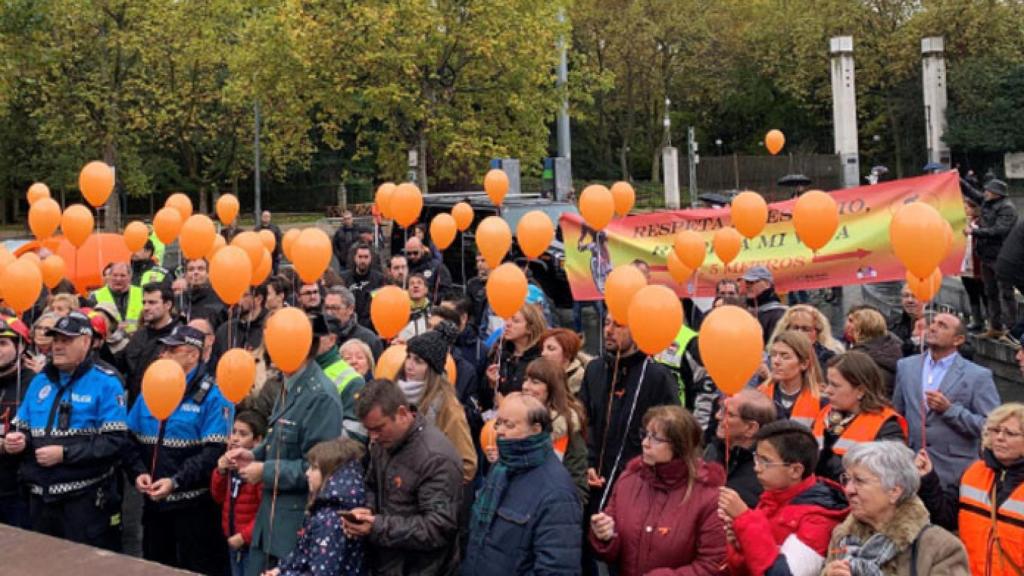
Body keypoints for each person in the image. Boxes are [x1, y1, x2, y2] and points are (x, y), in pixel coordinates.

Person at [225, 322, 343, 576]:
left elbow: (319, 469)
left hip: (292, 528)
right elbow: (277, 439)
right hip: (269, 524)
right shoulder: (288, 384)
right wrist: (252, 454)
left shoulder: (320, 395)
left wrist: (264, 471)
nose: (270, 351)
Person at [4, 312, 128, 550]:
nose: (58, 346)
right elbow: (23, 428)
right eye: (56, 340)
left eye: (66, 340)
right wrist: (18, 440)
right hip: (39, 499)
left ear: (86, 341)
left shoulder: (107, 382)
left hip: (84, 500)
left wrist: (65, 453)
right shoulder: (40, 381)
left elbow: (114, 442)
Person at [126, 324, 233, 575]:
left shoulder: (214, 394)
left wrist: (175, 481)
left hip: (195, 508)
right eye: (163, 349)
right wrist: (138, 472)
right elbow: (129, 439)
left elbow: (213, 452)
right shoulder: (150, 387)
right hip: (154, 506)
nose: (163, 355)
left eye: (172, 350)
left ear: (193, 355)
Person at [345, 379, 463, 575]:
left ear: (402, 414)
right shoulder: (383, 443)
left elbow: (438, 528)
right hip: (386, 564)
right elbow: (372, 484)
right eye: (369, 430)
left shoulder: (436, 459)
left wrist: (377, 526)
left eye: (378, 428)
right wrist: (366, 511)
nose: (372, 437)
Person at [590, 405, 726, 575]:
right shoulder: (629, 480)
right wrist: (606, 536)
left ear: (679, 446)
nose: (645, 443)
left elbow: (713, 565)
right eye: (645, 435)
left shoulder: (708, 496)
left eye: (655, 439)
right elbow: (612, 550)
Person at [462, 392, 582, 574]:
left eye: (509, 425)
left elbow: (557, 568)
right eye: (499, 422)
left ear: (535, 429)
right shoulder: (501, 467)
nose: (500, 431)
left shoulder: (558, 493)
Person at [580, 313, 679, 519]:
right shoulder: (594, 369)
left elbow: (672, 431)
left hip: (639, 484)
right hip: (596, 481)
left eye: (618, 326)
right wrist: (589, 462)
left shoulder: (656, 376)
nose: (608, 330)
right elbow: (585, 420)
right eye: (606, 323)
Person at [719, 420, 849, 576]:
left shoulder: (819, 519)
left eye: (765, 461)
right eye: (756, 458)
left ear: (795, 470)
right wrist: (740, 544)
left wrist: (745, 518)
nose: (756, 468)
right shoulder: (774, 498)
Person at [822, 442, 968, 575]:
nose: (848, 490)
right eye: (846, 479)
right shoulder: (842, 536)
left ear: (894, 492)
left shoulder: (940, 547)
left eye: (859, 481)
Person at [893, 312, 1001, 488]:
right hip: (911, 470)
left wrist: (950, 410)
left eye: (942, 326)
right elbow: (898, 415)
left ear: (958, 340)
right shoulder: (906, 366)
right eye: (933, 323)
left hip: (954, 474)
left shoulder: (977, 376)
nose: (933, 327)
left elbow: (992, 426)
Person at [917, 402, 1024, 575]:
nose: (999, 437)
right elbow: (944, 518)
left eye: (1009, 433)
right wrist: (928, 479)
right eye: (995, 431)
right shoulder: (973, 472)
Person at [265, 438, 367, 576]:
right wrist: (280, 570)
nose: (307, 473)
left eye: (314, 468)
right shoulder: (323, 511)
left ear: (333, 475)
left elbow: (322, 571)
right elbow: (303, 554)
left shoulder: (331, 521)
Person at [813, 351, 908, 482]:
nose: (828, 390)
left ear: (861, 391)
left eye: (835, 385)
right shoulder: (824, 413)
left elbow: (888, 481)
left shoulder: (886, 426)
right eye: (828, 383)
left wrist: (827, 458)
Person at [399, 329, 477, 482]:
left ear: (432, 368)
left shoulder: (447, 407)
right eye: (408, 357)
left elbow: (467, 465)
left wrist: (432, 485)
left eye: (418, 361)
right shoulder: (396, 393)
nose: (409, 365)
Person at [519, 358, 589, 503]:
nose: (526, 386)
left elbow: (577, 486)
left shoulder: (568, 427)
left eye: (535, 382)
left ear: (552, 388)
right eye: (526, 380)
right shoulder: (516, 421)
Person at [211, 411, 266, 576]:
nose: (235, 438)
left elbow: (266, 512)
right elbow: (218, 496)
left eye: (243, 434)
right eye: (233, 432)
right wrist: (220, 472)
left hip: (252, 544)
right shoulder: (231, 465)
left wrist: (244, 536)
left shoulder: (259, 471)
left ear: (258, 441)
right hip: (234, 540)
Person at [962, 178, 1017, 339]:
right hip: (986, 256)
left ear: (996, 194)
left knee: (1006, 293)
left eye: (988, 190)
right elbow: (971, 192)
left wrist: (975, 232)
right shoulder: (987, 202)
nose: (985, 192)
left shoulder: (1007, 208)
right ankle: (995, 327)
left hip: (1001, 256)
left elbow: (1000, 230)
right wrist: (958, 180)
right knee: (990, 292)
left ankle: (1011, 329)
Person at [704, 389, 778, 508]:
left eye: (728, 414)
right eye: (721, 409)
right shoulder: (713, 450)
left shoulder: (765, 474)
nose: (717, 416)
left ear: (751, 428)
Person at [120, 282, 180, 406]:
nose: (146, 307)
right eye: (144, 302)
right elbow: (122, 366)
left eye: (152, 303)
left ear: (167, 305)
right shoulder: (139, 335)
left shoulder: (178, 337)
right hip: (135, 409)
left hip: (164, 408)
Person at [309, 313, 366, 442]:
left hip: (327, 456)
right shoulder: (301, 370)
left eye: (315, 337)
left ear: (331, 340)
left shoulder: (353, 381)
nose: (309, 341)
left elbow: (355, 433)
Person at [0, 315, 33, 528]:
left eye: (2, 343)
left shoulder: (36, 383)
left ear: (20, 346)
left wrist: (24, 441)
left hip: (20, 492)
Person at [758, 330, 826, 429]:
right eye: (773, 354)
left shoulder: (822, 400)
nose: (776, 361)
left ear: (804, 364)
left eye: (785, 356)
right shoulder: (760, 395)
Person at [486, 304, 546, 397]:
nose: (507, 324)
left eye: (515, 321)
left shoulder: (541, 358)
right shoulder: (499, 351)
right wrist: (491, 383)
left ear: (530, 328)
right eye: (507, 319)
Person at [768, 304, 844, 373]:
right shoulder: (773, 358)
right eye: (795, 328)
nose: (799, 332)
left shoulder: (829, 360)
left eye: (806, 329)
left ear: (817, 332)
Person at [845, 306, 904, 395]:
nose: (848, 326)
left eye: (852, 322)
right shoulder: (894, 349)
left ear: (860, 329)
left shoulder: (856, 359)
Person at [214, 282, 269, 360]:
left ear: (258, 299)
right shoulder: (225, 330)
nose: (237, 300)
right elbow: (213, 366)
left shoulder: (269, 330)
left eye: (243, 295)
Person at [326, 286, 383, 359]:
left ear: (350, 309)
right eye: (327, 308)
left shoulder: (368, 339)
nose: (329, 313)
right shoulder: (320, 338)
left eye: (335, 308)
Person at [88, 261, 143, 334]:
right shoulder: (95, 296)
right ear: (109, 276)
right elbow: (90, 322)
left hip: (136, 339)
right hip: (109, 340)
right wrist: (113, 328)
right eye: (115, 275)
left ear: (130, 277)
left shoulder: (142, 293)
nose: (118, 279)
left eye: (122, 275)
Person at [341, 243, 385, 328]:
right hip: (348, 325)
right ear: (355, 258)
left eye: (366, 257)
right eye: (360, 257)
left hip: (370, 326)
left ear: (370, 258)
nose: (363, 260)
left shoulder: (379, 279)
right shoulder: (344, 278)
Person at [961, 198, 989, 332]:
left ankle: (990, 321)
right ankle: (977, 320)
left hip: (978, 263)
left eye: (966, 207)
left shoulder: (981, 223)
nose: (965, 210)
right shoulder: (963, 223)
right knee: (971, 292)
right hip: (965, 265)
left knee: (984, 293)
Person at [174, 258, 227, 324]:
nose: (195, 272)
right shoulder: (179, 299)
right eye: (191, 269)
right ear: (185, 275)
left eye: (200, 269)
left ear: (208, 274)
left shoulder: (219, 298)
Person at [540, 327, 591, 397]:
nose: (543, 353)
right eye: (543, 349)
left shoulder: (583, 382)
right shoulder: (540, 375)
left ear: (567, 353)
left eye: (551, 348)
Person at [742, 266, 786, 344]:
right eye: (746, 282)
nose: (748, 286)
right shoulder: (743, 311)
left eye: (752, 282)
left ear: (767, 283)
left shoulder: (779, 313)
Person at [405, 236, 453, 302]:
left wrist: (428, 297)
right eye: (409, 253)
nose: (412, 256)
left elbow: (448, 293)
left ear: (422, 249)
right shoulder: (404, 266)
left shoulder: (437, 266)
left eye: (415, 253)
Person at [888, 284, 926, 357]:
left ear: (926, 300)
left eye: (914, 296)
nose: (910, 300)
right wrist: (913, 341)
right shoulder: (893, 324)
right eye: (906, 296)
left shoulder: (933, 323)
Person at [396, 273, 431, 341]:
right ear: (407, 290)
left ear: (426, 290)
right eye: (412, 284)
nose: (415, 286)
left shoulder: (433, 312)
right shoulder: (399, 310)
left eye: (419, 283)